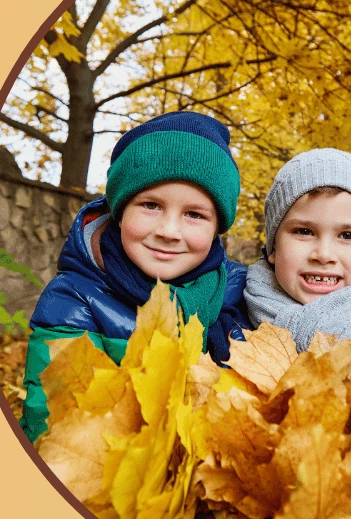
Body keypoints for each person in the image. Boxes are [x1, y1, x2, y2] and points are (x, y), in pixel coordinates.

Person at [21, 111, 250, 439]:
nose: (169, 231)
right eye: (151, 206)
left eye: (194, 214)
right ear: (119, 209)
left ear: (217, 229)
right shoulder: (74, 300)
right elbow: (60, 435)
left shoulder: (234, 291)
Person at [242, 148, 351, 376]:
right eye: (304, 231)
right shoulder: (228, 324)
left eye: (347, 236)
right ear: (273, 248)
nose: (324, 255)